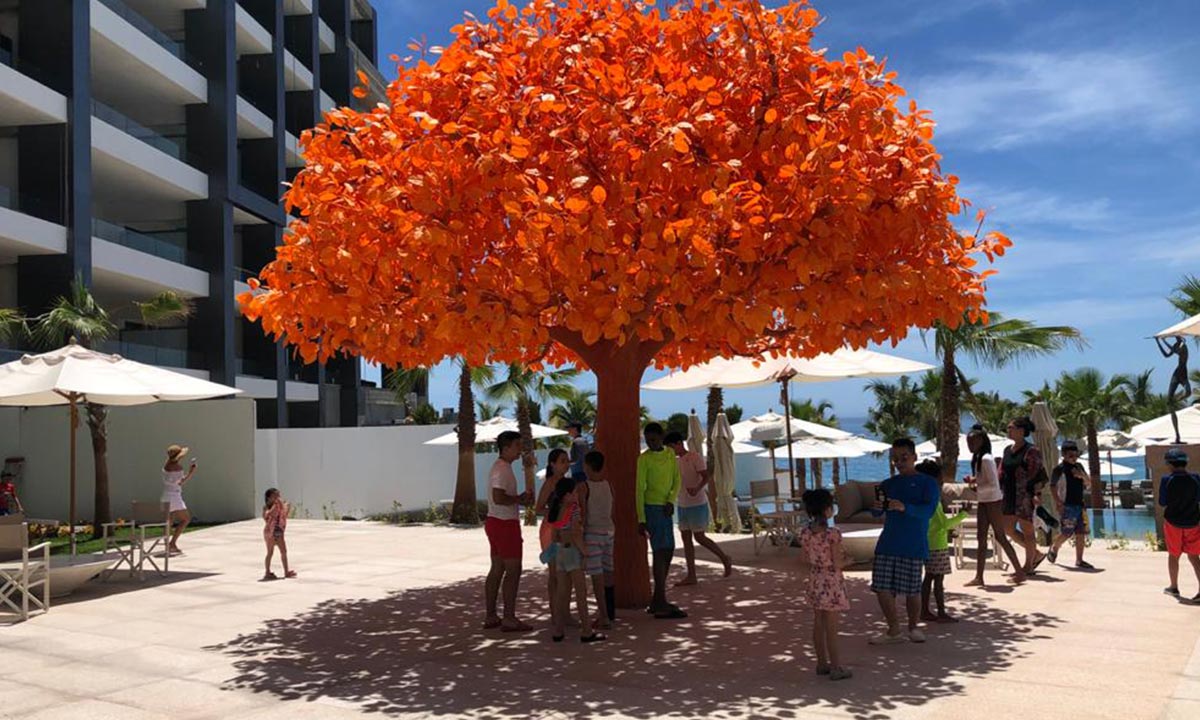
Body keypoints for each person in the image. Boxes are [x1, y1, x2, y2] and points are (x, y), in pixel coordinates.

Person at [868, 437, 939, 645]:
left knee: (912, 590)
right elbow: (875, 512)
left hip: (913, 544)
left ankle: (913, 627)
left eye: (904, 457)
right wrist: (876, 507)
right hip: (888, 543)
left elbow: (929, 511)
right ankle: (893, 629)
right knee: (881, 587)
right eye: (895, 459)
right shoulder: (888, 484)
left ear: (914, 457)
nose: (899, 462)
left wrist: (905, 507)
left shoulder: (928, 483)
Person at [543, 475, 606, 643]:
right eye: (574, 492)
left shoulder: (555, 510)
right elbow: (577, 533)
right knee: (580, 593)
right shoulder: (574, 510)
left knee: (562, 593)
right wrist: (585, 553)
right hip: (572, 553)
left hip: (560, 553)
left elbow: (555, 535)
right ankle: (586, 630)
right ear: (567, 495)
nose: (577, 494)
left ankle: (558, 630)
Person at [665, 431, 732, 585]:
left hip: (697, 503)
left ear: (678, 444)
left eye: (670, 447)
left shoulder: (694, 457)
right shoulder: (673, 461)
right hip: (682, 503)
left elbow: (706, 476)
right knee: (686, 539)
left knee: (699, 537)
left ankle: (724, 558)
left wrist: (697, 488)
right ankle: (691, 575)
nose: (669, 450)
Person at [483, 430, 535, 632]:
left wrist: (518, 499)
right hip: (505, 523)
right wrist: (519, 499)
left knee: (497, 568)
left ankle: (491, 615)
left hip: (495, 521)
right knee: (513, 571)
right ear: (505, 448)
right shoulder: (502, 469)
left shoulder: (501, 468)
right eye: (516, 446)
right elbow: (498, 497)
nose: (519, 450)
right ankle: (509, 617)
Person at [799, 488, 852, 681]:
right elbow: (837, 562)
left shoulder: (805, 533)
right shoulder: (833, 534)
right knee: (831, 626)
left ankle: (821, 662)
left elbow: (803, 558)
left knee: (818, 623)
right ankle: (836, 666)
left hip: (815, 579)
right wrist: (849, 561)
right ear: (828, 510)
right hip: (831, 581)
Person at [964, 427, 1025, 586]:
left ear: (981, 442)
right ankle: (979, 577)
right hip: (985, 500)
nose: (970, 445)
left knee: (1000, 536)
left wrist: (974, 482)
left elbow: (993, 483)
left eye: (973, 441)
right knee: (981, 538)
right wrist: (975, 482)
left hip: (992, 501)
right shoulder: (979, 458)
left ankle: (1019, 572)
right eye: (968, 442)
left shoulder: (985, 459)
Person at [637, 422, 686, 619]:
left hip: (666, 509)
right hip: (652, 509)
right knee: (659, 551)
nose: (651, 443)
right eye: (648, 440)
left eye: (654, 439)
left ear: (661, 437)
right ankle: (660, 599)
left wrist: (670, 500)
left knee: (668, 550)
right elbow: (639, 489)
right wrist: (641, 518)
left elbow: (677, 479)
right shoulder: (644, 459)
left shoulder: (669, 455)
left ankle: (658, 598)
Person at [916, 459, 967, 623]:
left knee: (929, 578)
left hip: (928, 543)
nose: (941, 481)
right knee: (937, 580)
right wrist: (963, 514)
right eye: (939, 478)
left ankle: (924, 610)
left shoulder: (923, 499)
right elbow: (943, 524)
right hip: (937, 546)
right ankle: (941, 612)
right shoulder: (934, 501)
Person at [999, 417, 1046, 575]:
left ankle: (1028, 565)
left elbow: (1038, 474)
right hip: (1009, 494)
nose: (1008, 430)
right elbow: (1001, 471)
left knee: (1027, 530)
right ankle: (1036, 554)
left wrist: (1037, 494)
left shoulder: (1032, 450)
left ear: (1021, 430)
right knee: (1008, 529)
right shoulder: (1007, 450)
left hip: (1025, 495)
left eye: (1011, 427)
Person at [577, 450, 615, 629]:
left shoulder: (584, 486)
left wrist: (579, 535)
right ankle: (609, 610)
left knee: (596, 575)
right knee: (608, 572)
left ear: (587, 466)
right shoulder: (609, 485)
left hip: (593, 533)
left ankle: (603, 615)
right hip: (609, 530)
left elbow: (583, 513)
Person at [535, 449, 572, 628]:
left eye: (567, 460)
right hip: (551, 530)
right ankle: (555, 612)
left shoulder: (569, 483)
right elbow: (538, 508)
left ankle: (565, 612)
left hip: (566, 529)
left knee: (568, 572)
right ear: (553, 464)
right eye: (562, 460)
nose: (566, 463)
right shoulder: (549, 483)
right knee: (555, 574)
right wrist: (556, 511)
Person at [1159, 448, 1200, 602]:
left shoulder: (1166, 480)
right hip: (1193, 522)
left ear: (1170, 464)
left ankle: (1174, 587)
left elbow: (1162, 502)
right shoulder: (1196, 478)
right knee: (1195, 557)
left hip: (1173, 523)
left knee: (1174, 555)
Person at [1048, 440, 1095, 569]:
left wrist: (1081, 476)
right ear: (1063, 455)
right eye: (1071, 456)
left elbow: (1089, 483)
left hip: (1080, 504)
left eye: (1076, 455)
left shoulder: (1079, 467)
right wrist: (1058, 502)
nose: (1074, 458)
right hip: (1067, 504)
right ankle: (1055, 547)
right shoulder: (1059, 469)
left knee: (1081, 532)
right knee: (1067, 532)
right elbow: (1052, 486)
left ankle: (1079, 560)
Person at [162, 444, 197, 555]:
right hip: (175, 496)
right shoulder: (178, 468)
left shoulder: (165, 466)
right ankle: (172, 543)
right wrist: (191, 472)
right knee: (185, 519)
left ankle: (168, 544)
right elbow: (181, 482)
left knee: (169, 521)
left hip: (165, 495)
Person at [261, 488, 296, 580]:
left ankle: (286, 571)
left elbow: (284, 515)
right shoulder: (266, 508)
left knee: (283, 551)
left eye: (278, 495)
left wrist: (286, 507)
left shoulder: (279, 506)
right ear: (268, 498)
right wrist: (276, 506)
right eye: (275, 496)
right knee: (270, 552)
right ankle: (267, 572)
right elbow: (267, 516)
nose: (278, 497)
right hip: (271, 532)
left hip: (278, 531)